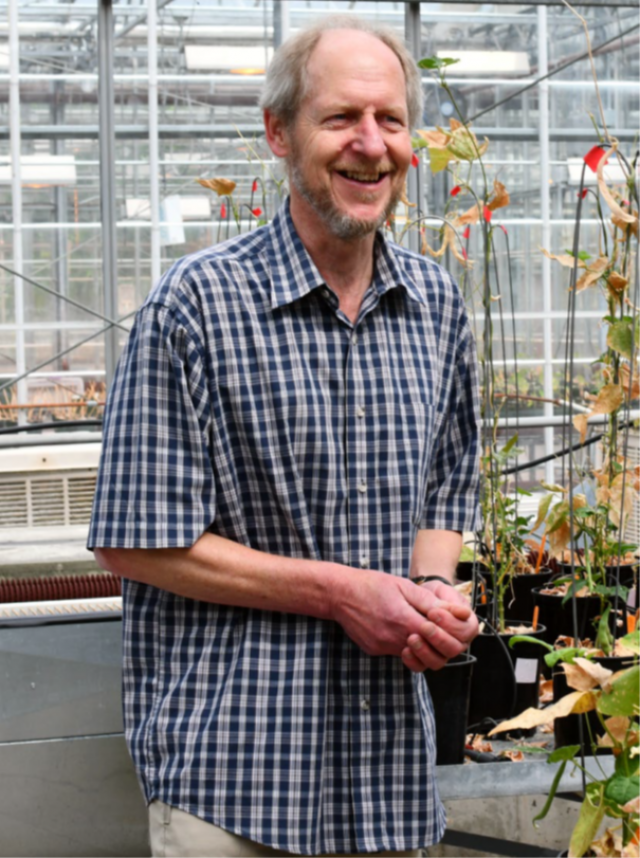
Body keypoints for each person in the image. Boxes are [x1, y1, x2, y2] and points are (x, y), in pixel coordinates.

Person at [89, 15, 480, 858]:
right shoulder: (196, 306)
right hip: (235, 779)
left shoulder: (437, 308)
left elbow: (448, 488)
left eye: (390, 119)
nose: (370, 145)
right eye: (341, 118)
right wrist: (341, 593)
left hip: (386, 780)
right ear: (279, 132)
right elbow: (135, 542)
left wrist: (429, 594)